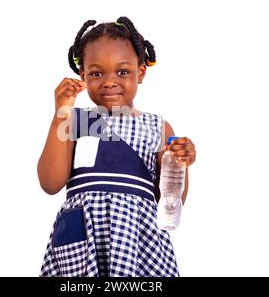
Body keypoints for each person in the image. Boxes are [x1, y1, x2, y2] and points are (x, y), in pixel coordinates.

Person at [37, 16, 196, 277]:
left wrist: (180, 163)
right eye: (97, 73)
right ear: (83, 75)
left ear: (140, 72)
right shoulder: (76, 121)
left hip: (137, 241)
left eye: (122, 71)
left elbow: (170, 200)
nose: (110, 81)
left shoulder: (157, 127)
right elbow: (50, 182)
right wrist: (60, 114)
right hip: (83, 239)